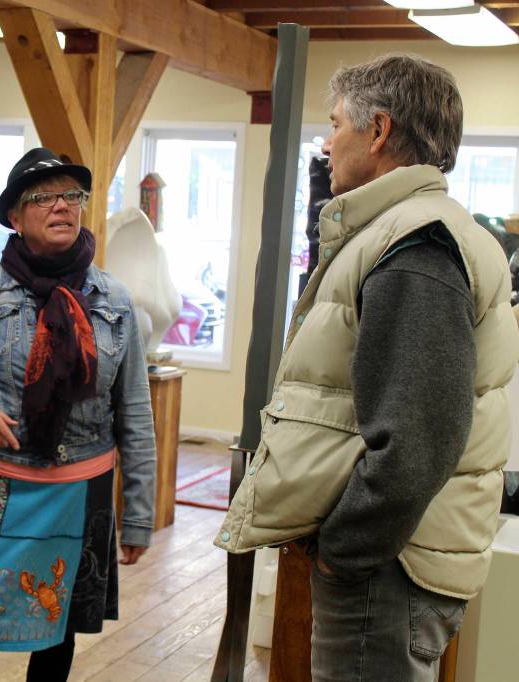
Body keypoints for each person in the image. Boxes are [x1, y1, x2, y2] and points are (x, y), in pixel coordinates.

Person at [216, 54, 519, 681]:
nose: (326, 145)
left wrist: (344, 551)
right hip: (395, 555)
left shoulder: (416, 246)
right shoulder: (401, 232)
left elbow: (415, 440)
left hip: (389, 564)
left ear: (377, 131)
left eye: (335, 126)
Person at [0, 148, 156, 681]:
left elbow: (135, 415)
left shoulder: (114, 300)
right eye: (44, 197)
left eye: (72, 195)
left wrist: (138, 513)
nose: (63, 206)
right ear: (14, 216)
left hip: (81, 487)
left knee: (56, 635)